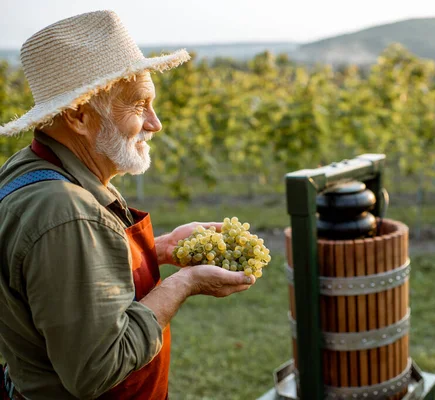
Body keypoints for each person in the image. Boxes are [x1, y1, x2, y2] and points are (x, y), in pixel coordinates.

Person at [0, 10, 255, 400]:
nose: (155, 123)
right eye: (139, 105)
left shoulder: (30, 168)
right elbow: (99, 368)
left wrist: (160, 249)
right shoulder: (69, 213)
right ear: (78, 115)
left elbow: (64, 280)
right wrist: (184, 283)